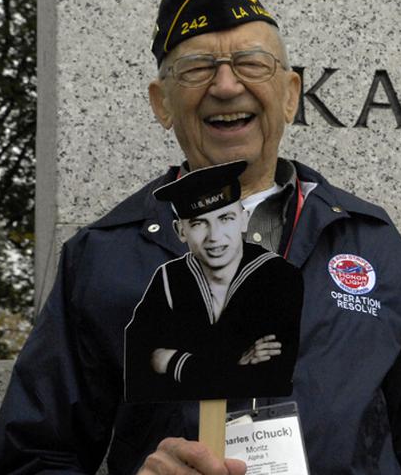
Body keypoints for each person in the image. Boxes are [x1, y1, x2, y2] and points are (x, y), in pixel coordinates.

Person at [0, 0, 401, 474]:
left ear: (290, 95)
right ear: (162, 102)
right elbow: (27, 458)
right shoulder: (103, 258)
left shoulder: (371, 242)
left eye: (252, 64)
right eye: (197, 67)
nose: (227, 85)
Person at [124, 160, 304, 402]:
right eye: (199, 223)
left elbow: (271, 380)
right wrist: (236, 360)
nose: (215, 237)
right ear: (180, 231)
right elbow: (139, 376)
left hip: (258, 436)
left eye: (226, 218)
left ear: (244, 219)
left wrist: (170, 361)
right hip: (180, 439)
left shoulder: (279, 278)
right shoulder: (169, 280)